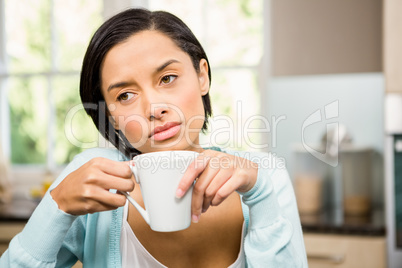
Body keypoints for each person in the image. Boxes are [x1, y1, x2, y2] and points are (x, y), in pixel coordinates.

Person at [0, 8, 307, 267]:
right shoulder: (94, 181)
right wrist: (57, 206)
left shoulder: (263, 177)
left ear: (203, 76)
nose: (153, 108)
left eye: (167, 78)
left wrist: (261, 195)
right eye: (126, 95)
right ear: (111, 117)